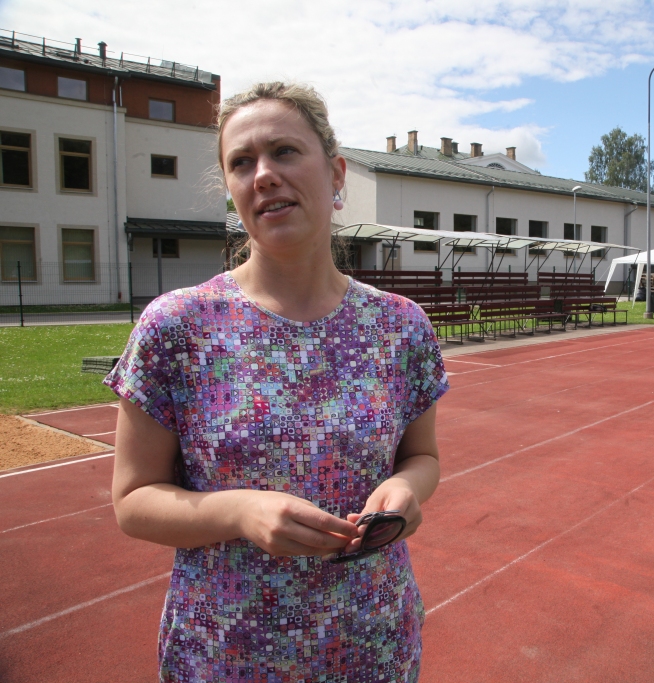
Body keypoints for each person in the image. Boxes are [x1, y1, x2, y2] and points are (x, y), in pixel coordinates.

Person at [106, 82, 448, 682]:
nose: (263, 174)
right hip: (226, 654)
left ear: (336, 174)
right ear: (231, 188)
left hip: (373, 643)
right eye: (242, 162)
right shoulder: (177, 326)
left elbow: (422, 457)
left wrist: (405, 489)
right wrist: (240, 512)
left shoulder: (399, 325)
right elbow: (133, 501)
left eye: (284, 151)